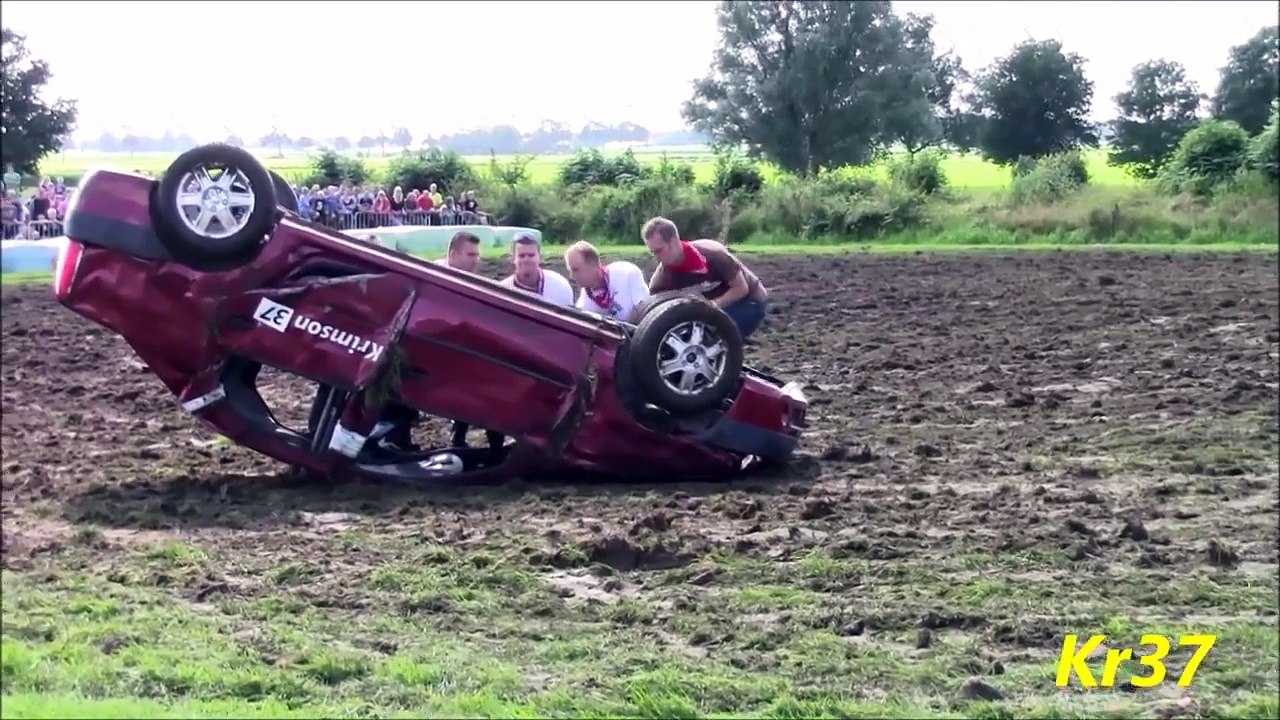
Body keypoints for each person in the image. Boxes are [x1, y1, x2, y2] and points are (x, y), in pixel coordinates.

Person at [429, 230, 503, 455]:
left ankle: (489, 441)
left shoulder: (474, 281)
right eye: (471, 255)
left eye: (477, 255)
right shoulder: (434, 276)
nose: (476, 260)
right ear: (453, 254)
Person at [641, 216, 769, 340]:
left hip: (750, 301)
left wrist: (711, 306)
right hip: (713, 308)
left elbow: (741, 289)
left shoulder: (712, 254)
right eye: (653, 253)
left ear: (674, 241)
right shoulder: (662, 279)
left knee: (709, 338)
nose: (657, 258)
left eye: (659, 251)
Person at [563, 240, 651, 321]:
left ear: (594, 264)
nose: (572, 276)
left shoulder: (627, 273)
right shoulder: (584, 300)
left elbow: (645, 312)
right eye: (570, 271)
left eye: (576, 270)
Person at [499, 233, 576, 307]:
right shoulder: (502, 292)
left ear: (539, 257)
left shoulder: (560, 286)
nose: (526, 260)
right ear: (513, 259)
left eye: (531, 255)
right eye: (521, 256)